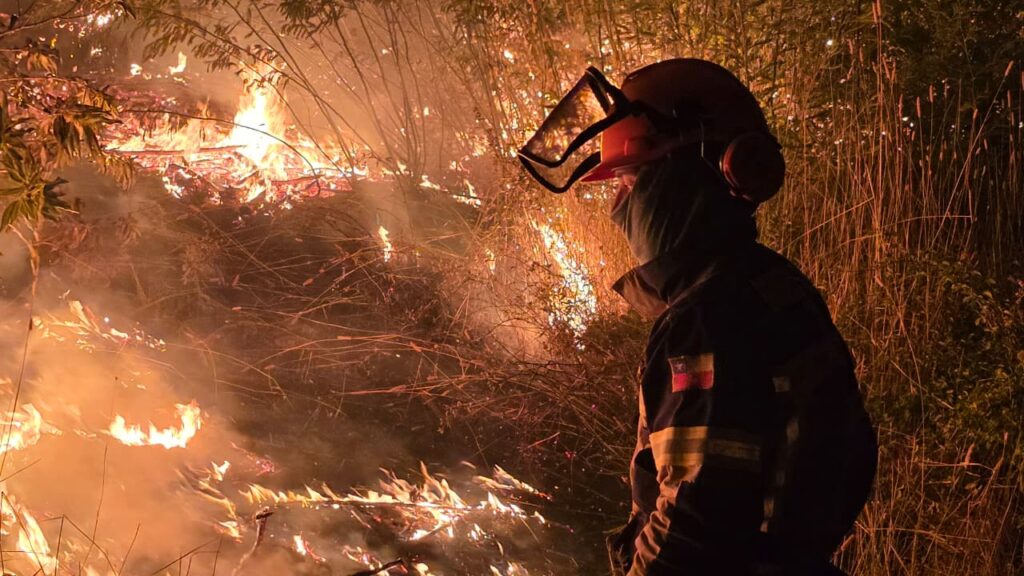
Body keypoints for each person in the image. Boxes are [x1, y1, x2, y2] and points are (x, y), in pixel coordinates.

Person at [518, 59, 878, 575]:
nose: (617, 205)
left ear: (684, 176)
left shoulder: (708, 316)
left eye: (628, 178)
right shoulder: (768, 282)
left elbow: (692, 524)